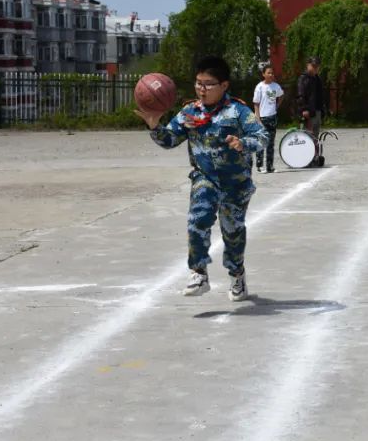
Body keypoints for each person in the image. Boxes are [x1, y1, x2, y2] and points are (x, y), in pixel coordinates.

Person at [137, 56, 269, 301]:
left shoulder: (238, 111)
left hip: (235, 184)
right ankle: (198, 273)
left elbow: (261, 137)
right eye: (198, 83)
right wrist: (155, 127)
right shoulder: (189, 112)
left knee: (232, 232)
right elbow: (170, 140)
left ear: (224, 85)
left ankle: (237, 274)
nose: (201, 89)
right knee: (197, 220)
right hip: (204, 178)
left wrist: (243, 143)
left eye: (208, 84)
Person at [252, 64, 283, 173]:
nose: (271, 75)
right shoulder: (260, 87)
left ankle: (270, 166)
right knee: (261, 142)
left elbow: (281, 96)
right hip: (262, 118)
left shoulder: (276, 86)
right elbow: (256, 103)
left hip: (272, 117)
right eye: (268, 73)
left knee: (270, 143)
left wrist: (276, 106)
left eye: (272, 73)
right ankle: (259, 166)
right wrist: (257, 117)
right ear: (263, 74)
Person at [296, 56, 326, 142]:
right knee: (307, 136)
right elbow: (300, 95)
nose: (315, 68)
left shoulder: (318, 79)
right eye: (313, 66)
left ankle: (314, 154)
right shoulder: (303, 78)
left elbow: (320, 96)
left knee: (315, 136)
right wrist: (304, 109)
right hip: (308, 112)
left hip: (317, 111)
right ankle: (305, 155)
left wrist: (323, 110)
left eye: (317, 66)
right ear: (308, 65)